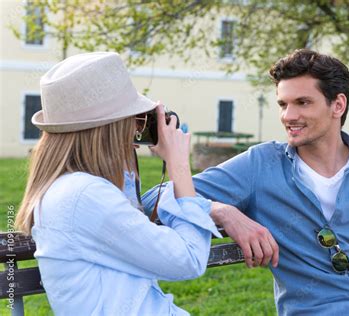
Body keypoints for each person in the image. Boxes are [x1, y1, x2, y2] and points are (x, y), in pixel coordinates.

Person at [143, 49, 349, 315]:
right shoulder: (260, 165)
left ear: (338, 105)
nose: (287, 116)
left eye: (302, 103)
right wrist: (221, 210)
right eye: (283, 104)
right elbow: (154, 199)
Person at [15, 52, 220, 315]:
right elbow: (188, 260)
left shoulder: (71, 190)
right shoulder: (84, 196)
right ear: (112, 127)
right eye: (133, 120)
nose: (137, 129)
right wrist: (178, 166)